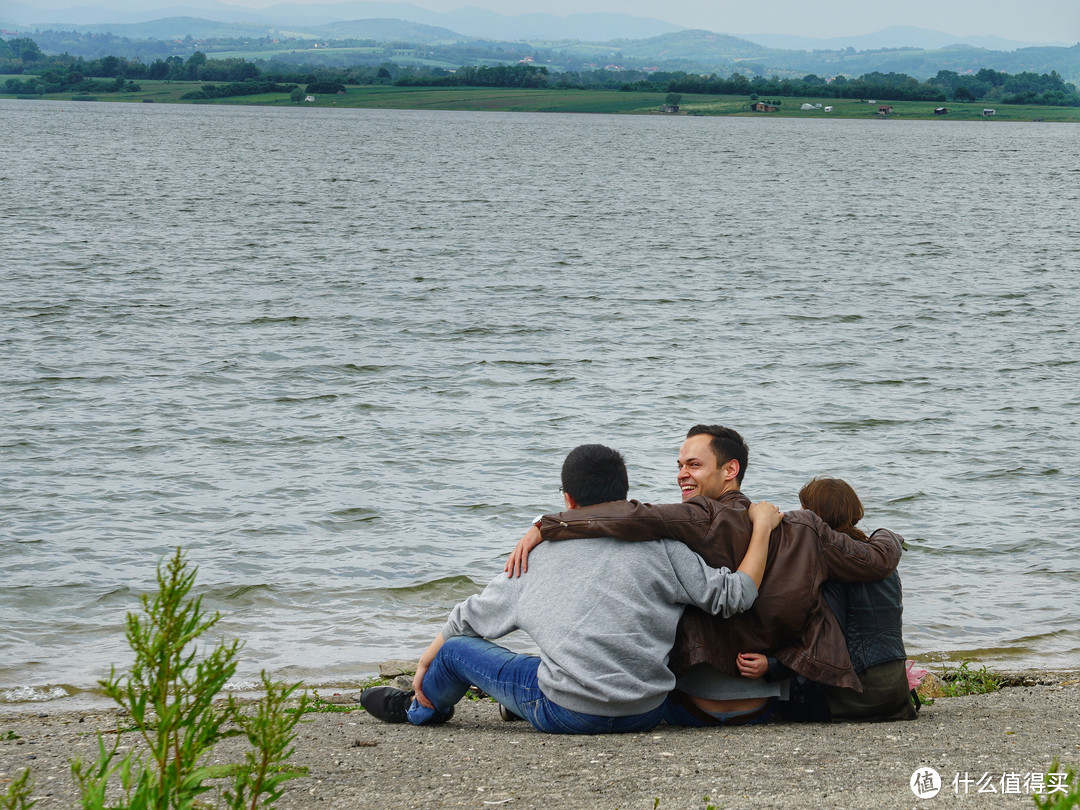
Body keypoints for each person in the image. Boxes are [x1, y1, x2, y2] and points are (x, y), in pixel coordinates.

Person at [361, 443, 782, 734]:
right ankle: (511, 704)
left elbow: (467, 620)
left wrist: (424, 664)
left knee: (455, 652)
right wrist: (761, 529)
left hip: (568, 713)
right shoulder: (662, 546)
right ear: (625, 495)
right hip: (646, 710)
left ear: (568, 499)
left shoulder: (536, 555)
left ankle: (417, 709)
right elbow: (735, 596)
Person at [506, 425, 903, 724]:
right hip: (768, 696)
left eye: (693, 465)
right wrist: (891, 534)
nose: (681, 474)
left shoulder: (699, 517)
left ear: (730, 469)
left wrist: (550, 524)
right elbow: (878, 560)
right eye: (679, 465)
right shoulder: (803, 528)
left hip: (693, 691)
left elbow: (631, 515)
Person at [736, 477, 918, 722]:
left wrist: (772, 665)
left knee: (775, 705)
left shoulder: (825, 566)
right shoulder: (880, 563)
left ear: (816, 517)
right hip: (896, 696)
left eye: (803, 510)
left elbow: (827, 645)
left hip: (852, 696)